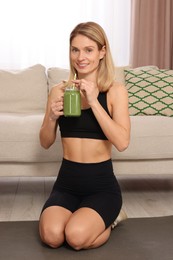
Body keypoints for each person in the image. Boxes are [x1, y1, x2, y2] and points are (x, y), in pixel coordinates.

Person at [39, 21, 130, 250]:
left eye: (89, 50)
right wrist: (51, 117)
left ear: (102, 52)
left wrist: (93, 102)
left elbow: (122, 142)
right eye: (75, 49)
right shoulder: (59, 91)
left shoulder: (115, 91)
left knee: (75, 237)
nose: (81, 57)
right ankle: (85, 218)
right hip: (66, 185)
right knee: (51, 236)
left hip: (101, 187)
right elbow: (45, 142)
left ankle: (112, 217)